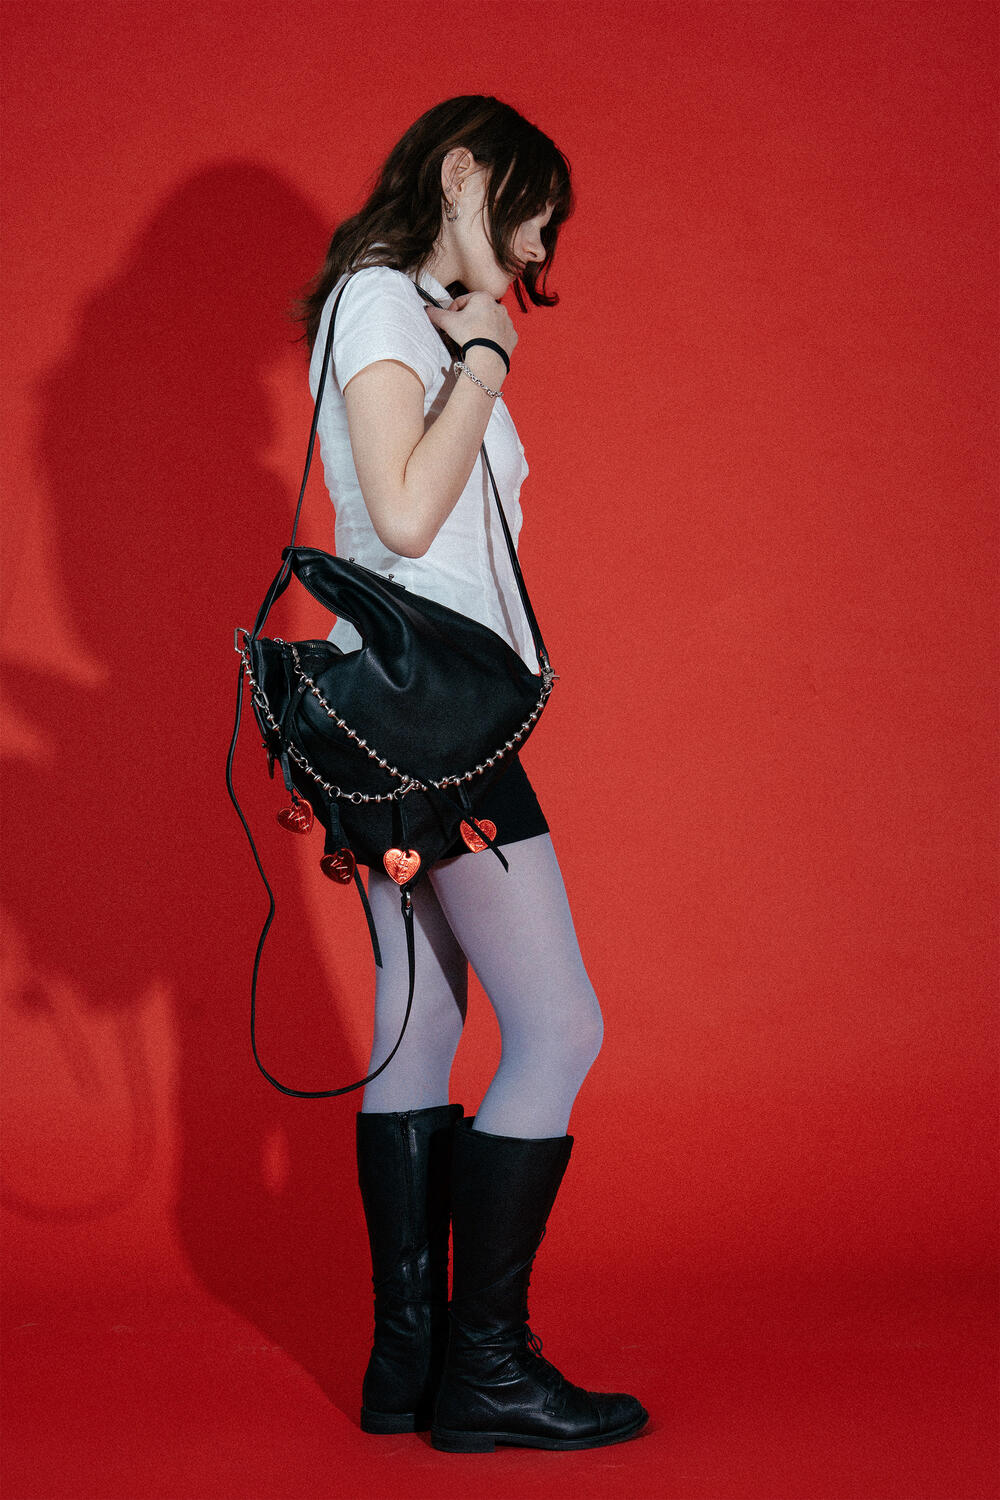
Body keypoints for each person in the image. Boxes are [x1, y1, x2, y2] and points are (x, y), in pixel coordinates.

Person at [291, 95, 648, 1454]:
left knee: (422, 1025)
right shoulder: (384, 303)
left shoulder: (388, 311)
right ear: (462, 174)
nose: (537, 251)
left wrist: (476, 345)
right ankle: (486, 1371)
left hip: (390, 725)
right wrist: (487, 356)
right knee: (558, 1027)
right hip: (430, 728)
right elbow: (400, 511)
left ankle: (411, 1370)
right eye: (530, 213)